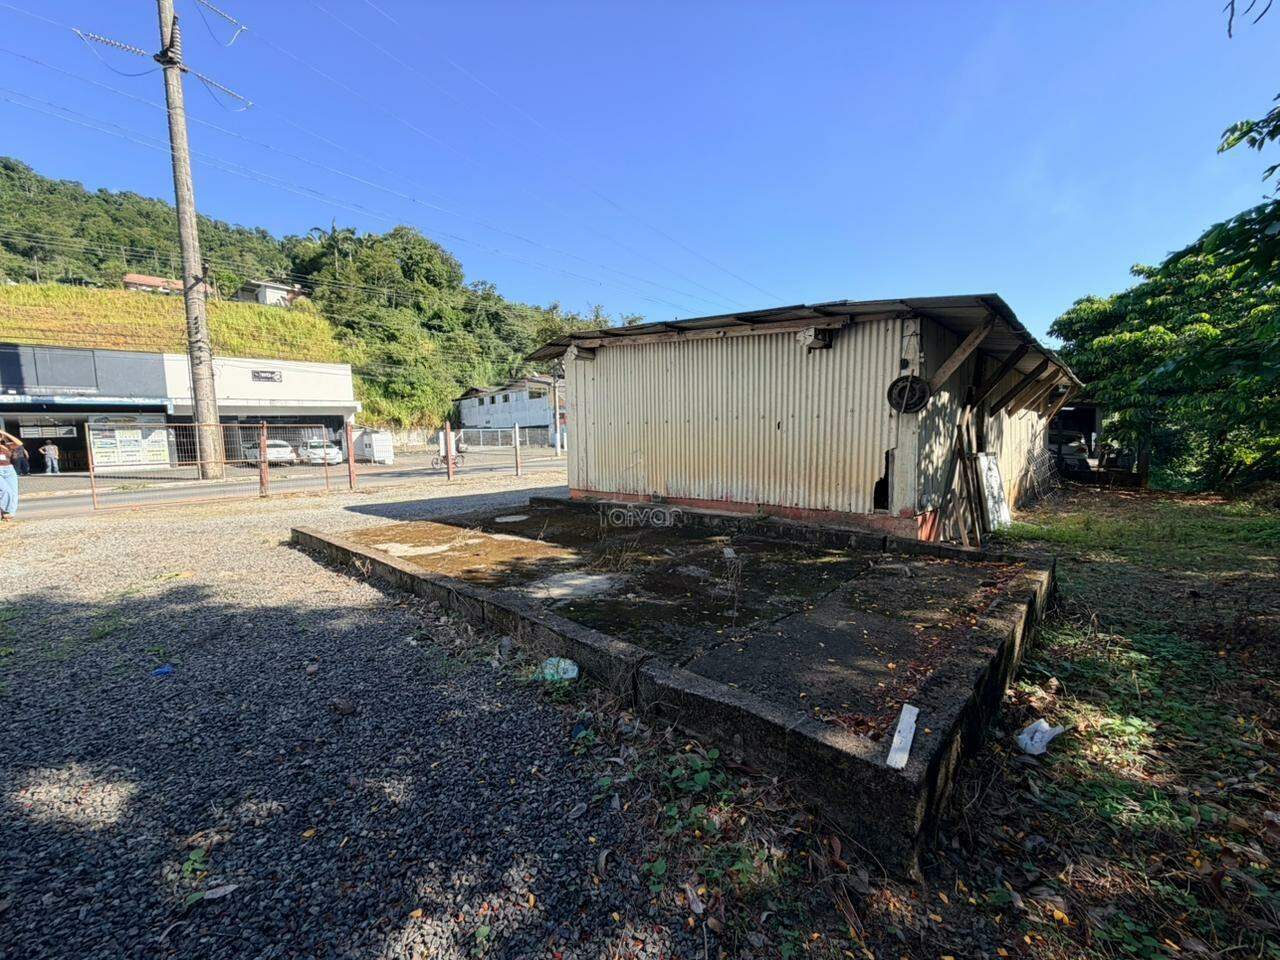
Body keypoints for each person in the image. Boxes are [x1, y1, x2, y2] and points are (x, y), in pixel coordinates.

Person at [0, 429, 22, 521]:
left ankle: (10, 515)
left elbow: (19, 443)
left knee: (13, 493)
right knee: (5, 491)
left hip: (9, 469)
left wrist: (5, 433)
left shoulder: (7, 446)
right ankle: (5, 511)